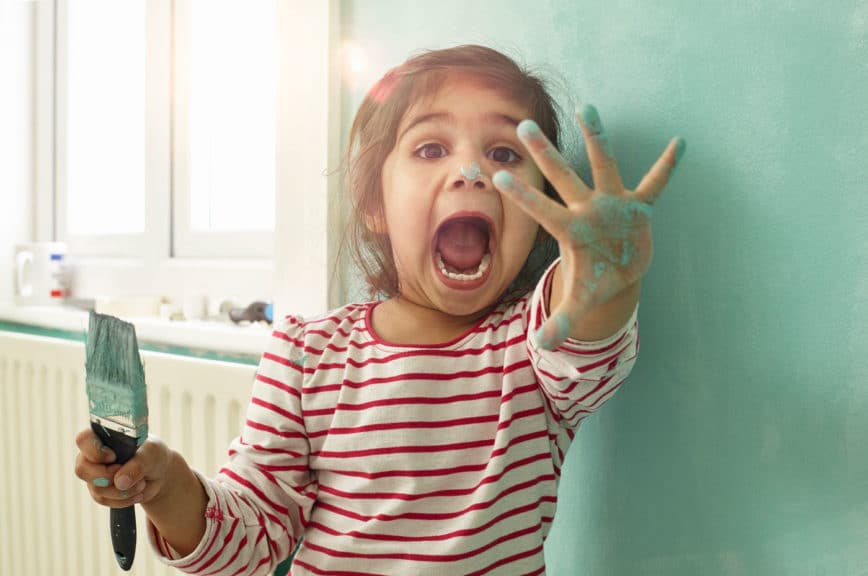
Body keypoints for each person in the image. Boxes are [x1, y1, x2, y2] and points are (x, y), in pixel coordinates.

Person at [74, 44, 685, 575]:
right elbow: (251, 540)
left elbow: (584, 339)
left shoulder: (528, 346)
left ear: (538, 213)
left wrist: (603, 276)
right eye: (431, 148)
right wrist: (167, 486)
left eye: (504, 154)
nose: (470, 171)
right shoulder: (306, 355)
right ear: (374, 204)